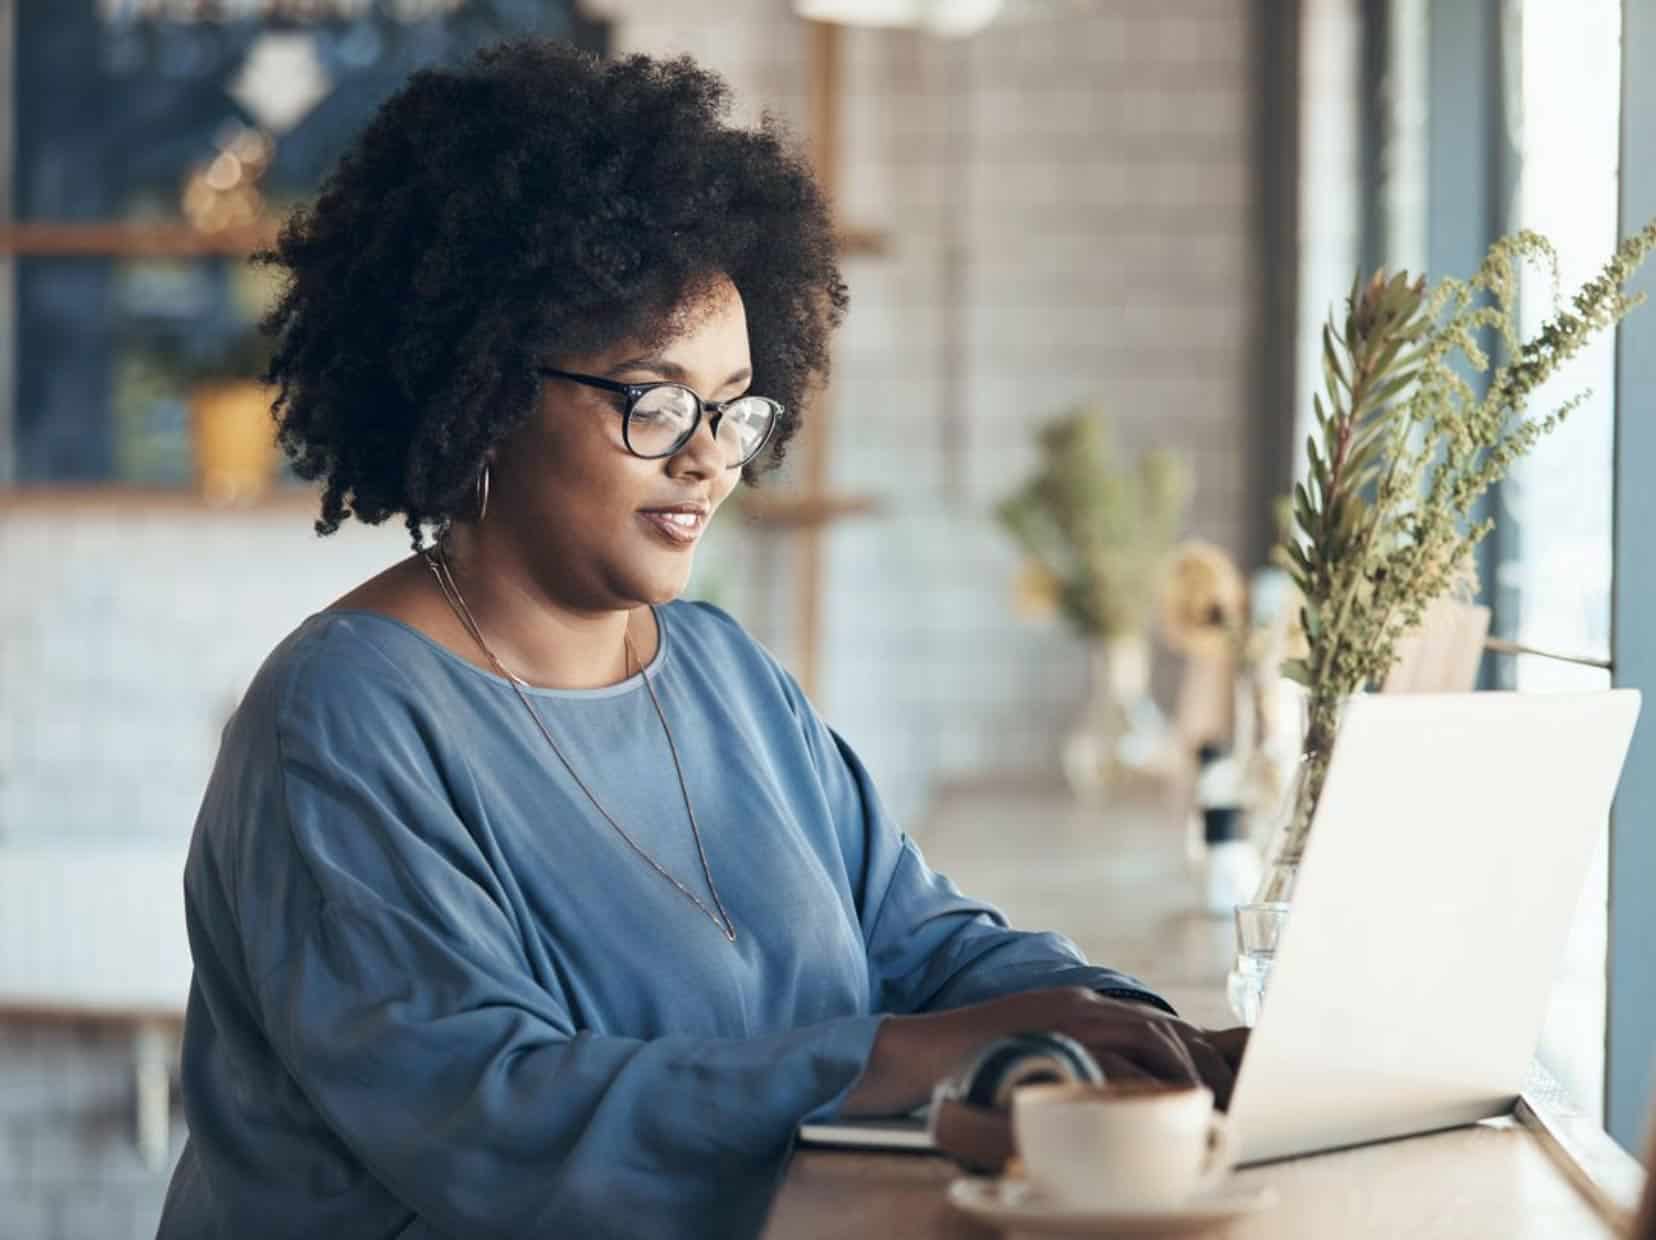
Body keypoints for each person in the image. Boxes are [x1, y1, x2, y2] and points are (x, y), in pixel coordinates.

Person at [157, 40, 1246, 1240]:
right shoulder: (343, 717)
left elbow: (923, 943)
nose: (710, 453)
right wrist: (912, 1055)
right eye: (653, 397)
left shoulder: (726, 676)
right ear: (486, 392)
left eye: (735, 404)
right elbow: (496, 1119)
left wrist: (1147, 1028)